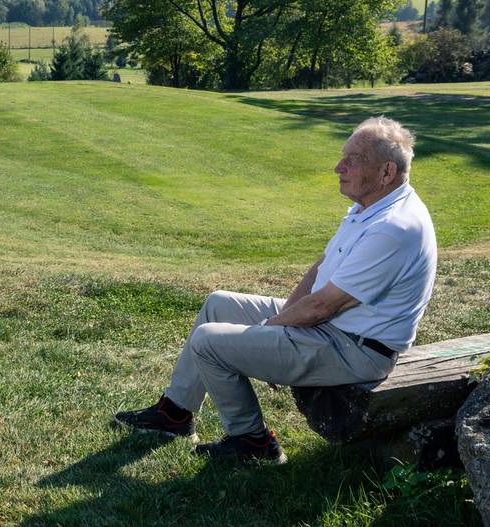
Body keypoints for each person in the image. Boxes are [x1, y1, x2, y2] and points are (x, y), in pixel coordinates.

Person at [114, 116, 437, 464]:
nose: (338, 167)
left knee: (209, 341)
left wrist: (268, 331)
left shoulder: (394, 227)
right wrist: (278, 324)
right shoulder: (371, 207)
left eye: (353, 160)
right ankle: (175, 413)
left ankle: (252, 441)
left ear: (387, 172)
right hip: (337, 329)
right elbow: (320, 270)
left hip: (356, 351)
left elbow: (323, 307)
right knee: (218, 304)